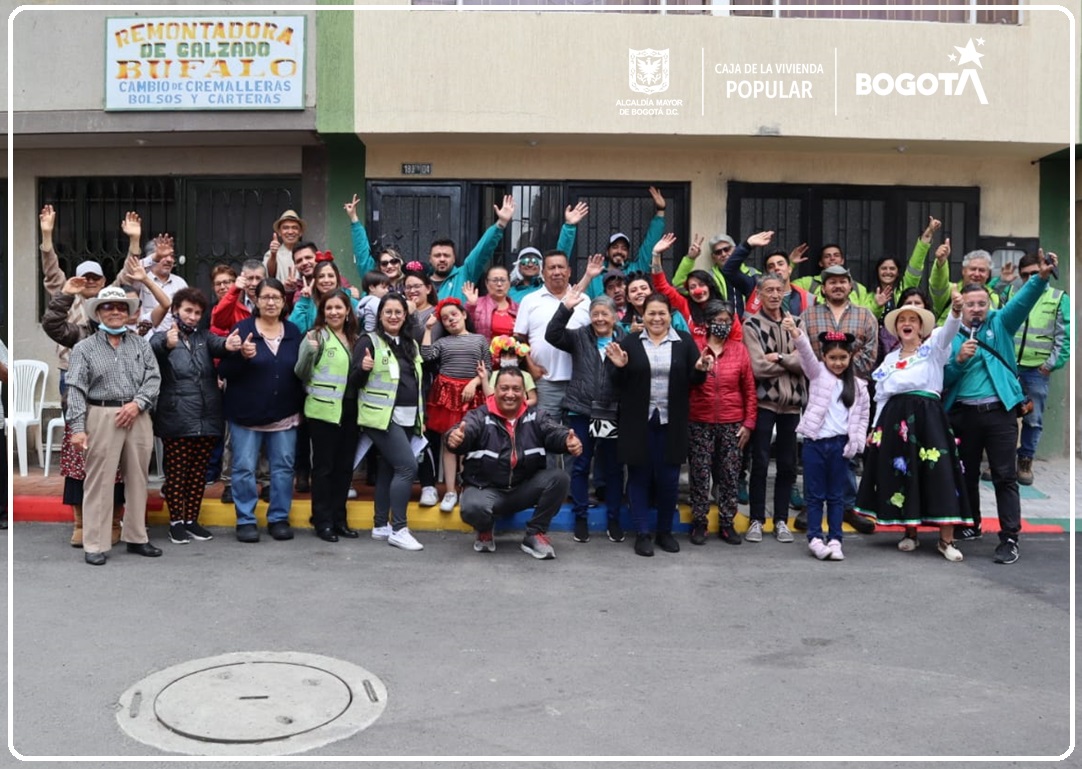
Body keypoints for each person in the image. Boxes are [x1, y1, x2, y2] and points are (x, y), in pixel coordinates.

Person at [944, 251, 1058, 564]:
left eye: (982, 303)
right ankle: (971, 524)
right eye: (971, 304)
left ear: (989, 305)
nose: (977, 308)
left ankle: (1009, 537)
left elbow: (1023, 301)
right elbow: (943, 376)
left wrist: (1041, 277)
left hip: (999, 413)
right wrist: (958, 361)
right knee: (965, 473)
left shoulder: (1001, 323)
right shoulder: (950, 332)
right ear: (961, 307)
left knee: (1004, 476)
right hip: (964, 414)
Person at [855, 293, 971, 561]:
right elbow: (881, 397)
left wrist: (955, 311)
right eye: (902, 320)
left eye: (913, 320)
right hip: (896, 423)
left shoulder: (933, 349)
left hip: (929, 420)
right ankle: (910, 533)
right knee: (904, 474)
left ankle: (946, 540)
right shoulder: (890, 360)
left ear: (921, 327)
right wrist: (874, 429)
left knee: (939, 473)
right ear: (897, 328)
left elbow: (950, 330)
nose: (907, 324)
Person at [606, 293, 710, 557]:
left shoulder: (684, 342)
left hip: (671, 421)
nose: (656, 318)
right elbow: (615, 381)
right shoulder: (629, 342)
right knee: (639, 477)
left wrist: (700, 369)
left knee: (668, 480)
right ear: (643, 315)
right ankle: (642, 533)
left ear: (670, 315)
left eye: (661, 313)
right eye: (651, 313)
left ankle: (664, 532)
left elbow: (695, 379)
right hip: (637, 422)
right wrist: (618, 367)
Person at [66, 286, 162, 565]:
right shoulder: (84, 348)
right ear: (98, 312)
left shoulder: (140, 344)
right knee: (99, 480)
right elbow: (75, 388)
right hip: (101, 413)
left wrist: (138, 404)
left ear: (129, 313)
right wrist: (77, 427)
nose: (116, 311)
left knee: (138, 478)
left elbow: (154, 378)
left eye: (121, 307)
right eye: (109, 307)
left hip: (137, 413)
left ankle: (136, 537)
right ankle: (94, 542)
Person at [447, 367, 583, 559]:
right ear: (495, 389)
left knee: (559, 478)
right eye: (504, 388)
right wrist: (454, 439)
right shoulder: (479, 415)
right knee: (471, 507)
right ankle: (485, 529)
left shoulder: (536, 416)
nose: (510, 394)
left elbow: (554, 432)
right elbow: (463, 432)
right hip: (486, 489)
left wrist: (567, 441)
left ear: (523, 392)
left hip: (523, 489)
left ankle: (535, 534)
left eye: (516, 389)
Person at [151, 288, 243, 544]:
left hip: (208, 416)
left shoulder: (205, 337)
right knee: (177, 474)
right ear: (175, 311)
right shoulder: (161, 338)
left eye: (197, 313)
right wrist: (168, 344)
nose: (192, 317)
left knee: (197, 474)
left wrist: (230, 344)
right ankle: (176, 522)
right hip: (176, 417)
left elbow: (221, 345)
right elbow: (154, 349)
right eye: (187, 311)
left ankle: (191, 520)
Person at [218, 277, 304, 543]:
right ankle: (245, 519)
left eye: (276, 297)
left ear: (283, 302)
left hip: (284, 413)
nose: (270, 302)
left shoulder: (292, 332)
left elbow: (300, 372)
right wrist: (241, 357)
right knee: (243, 468)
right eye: (265, 297)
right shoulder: (243, 329)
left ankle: (278, 518)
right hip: (246, 414)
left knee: (283, 468)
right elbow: (224, 371)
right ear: (255, 300)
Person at [545, 288, 627, 544]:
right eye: (595, 314)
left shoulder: (627, 339)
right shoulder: (580, 336)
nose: (600, 319)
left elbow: (633, 376)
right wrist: (565, 309)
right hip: (581, 410)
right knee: (580, 465)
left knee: (613, 468)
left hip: (612, 411)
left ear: (615, 317)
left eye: (605, 314)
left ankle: (613, 519)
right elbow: (553, 334)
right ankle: (581, 517)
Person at [787, 322, 870, 561]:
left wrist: (855, 445)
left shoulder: (859, 387)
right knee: (814, 495)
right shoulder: (817, 374)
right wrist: (796, 333)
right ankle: (815, 537)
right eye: (832, 357)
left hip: (840, 446)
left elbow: (863, 417)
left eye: (843, 357)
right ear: (823, 357)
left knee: (836, 496)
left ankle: (835, 539)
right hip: (815, 445)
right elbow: (804, 351)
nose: (838, 363)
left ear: (851, 356)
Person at [351, 293, 426, 551]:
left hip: (407, 416)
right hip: (380, 417)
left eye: (398, 312)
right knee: (407, 467)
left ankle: (381, 524)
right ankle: (399, 529)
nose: (393, 316)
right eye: (388, 312)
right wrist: (363, 368)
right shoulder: (368, 341)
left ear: (405, 316)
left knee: (389, 468)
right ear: (380, 315)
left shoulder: (410, 344)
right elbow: (353, 381)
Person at [742, 273, 806, 545]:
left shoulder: (798, 324)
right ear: (759, 294)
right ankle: (757, 518)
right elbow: (757, 367)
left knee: (788, 465)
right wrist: (792, 362)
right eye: (768, 290)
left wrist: (780, 357)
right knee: (759, 461)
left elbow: (808, 362)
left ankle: (781, 519)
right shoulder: (752, 324)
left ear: (785, 293)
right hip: (764, 402)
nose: (774, 295)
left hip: (792, 405)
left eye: (778, 290)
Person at [997, 251, 1070, 486]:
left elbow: (1065, 337)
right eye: (1025, 275)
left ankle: (1025, 461)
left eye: (1034, 274)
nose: (1030, 279)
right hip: (1009, 366)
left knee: (1033, 419)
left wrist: (1050, 365)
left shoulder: (1059, 298)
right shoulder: (1011, 293)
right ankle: (1002, 462)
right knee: (1002, 416)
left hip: (1036, 370)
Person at [686, 300, 755, 546]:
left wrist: (748, 423)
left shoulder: (739, 350)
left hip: (732, 422)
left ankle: (727, 522)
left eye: (727, 322)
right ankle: (700, 522)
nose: (723, 326)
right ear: (707, 323)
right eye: (718, 321)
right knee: (700, 473)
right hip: (699, 420)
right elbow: (686, 383)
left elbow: (749, 389)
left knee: (729, 474)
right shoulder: (694, 347)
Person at [295, 289, 362, 542]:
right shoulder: (315, 336)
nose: (334, 312)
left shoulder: (355, 338)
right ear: (322, 313)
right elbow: (300, 373)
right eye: (329, 308)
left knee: (345, 469)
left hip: (350, 410)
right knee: (323, 469)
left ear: (347, 312)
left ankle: (339, 519)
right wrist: (310, 352)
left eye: (339, 308)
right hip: (322, 411)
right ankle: (322, 522)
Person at [420, 297, 490, 513]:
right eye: (445, 318)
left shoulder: (479, 340)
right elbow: (426, 355)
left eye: (454, 315)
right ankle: (450, 491)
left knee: (470, 443)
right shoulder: (442, 342)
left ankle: (467, 487)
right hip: (447, 395)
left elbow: (487, 367)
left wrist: (475, 382)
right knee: (450, 443)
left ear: (464, 315)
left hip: (471, 395)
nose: (450, 320)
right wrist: (429, 329)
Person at [650, 233, 741, 341]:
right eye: (692, 287)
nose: (698, 290)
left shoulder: (726, 310)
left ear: (710, 287)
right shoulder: (685, 305)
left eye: (702, 285)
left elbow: (736, 341)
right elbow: (661, 286)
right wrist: (656, 254)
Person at [428, 195, 515, 303]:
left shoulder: (464, 275)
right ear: (430, 259)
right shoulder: (422, 281)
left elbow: (482, 251)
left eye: (446, 255)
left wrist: (501, 224)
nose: (442, 259)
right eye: (437, 255)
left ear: (454, 258)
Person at [583, 187, 666, 298]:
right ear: (607, 252)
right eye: (615, 247)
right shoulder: (595, 274)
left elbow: (650, 244)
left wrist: (660, 211)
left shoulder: (636, 270)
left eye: (624, 248)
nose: (619, 251)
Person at [722, 232, 812, 319]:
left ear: (789, 269)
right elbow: (729, 270)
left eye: (780, 264)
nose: (776, 268)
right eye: (771, 266)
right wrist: (747, 245)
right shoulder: (755, 287)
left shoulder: (806, 297)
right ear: (767, 273)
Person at [790, 242, 875, 310]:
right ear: (820, 263)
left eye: (836, 255)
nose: (832, 258)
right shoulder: (807, 283)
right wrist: (790, 264)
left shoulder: (858, 288)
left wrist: (877, 306)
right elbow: (784, 289)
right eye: (827, 256)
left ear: (842, 261)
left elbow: (867, 317)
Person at [930, 242, 1002, 323]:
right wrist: (941, 263)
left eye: (981, 270)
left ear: (988, 274)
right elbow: (938, 282)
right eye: (973, 269)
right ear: (963, 271)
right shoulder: (950, 291)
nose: (977, 274)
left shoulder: (995, 298)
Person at [137, 232, 188, 333]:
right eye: (164, 256)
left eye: (172, 256)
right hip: (146, 338)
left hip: (173, 340)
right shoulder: (141, 279)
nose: (169, 260)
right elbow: (132, 269)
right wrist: (155, 257)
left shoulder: (180, 283)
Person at [619, 272, 690, 335]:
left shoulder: (673, 315)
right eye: (633, 290)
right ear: (628, 298)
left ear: (652, 292)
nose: (639, 292)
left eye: (644, 288)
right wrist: (630, 333)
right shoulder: (623, 325)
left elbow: (687, 341)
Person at [462, 265, 519, 341]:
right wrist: (471, 306)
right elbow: (465, 328)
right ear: (486, 283)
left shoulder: (518, 308)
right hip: (484, 352)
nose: (499, 284)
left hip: (512, 352)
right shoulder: (477, 304)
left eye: (503, 280)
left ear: (509, 283)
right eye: (495, 280)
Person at [483, 336, 537, 407]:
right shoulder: (495, 374)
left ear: (519, 359)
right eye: (504, 355)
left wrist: (520, 406)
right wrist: (483, 378)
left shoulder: (526, 376)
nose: (507, 359)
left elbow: (533, 399)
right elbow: (490, 395)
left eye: (511, 356)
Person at [264, 209, 306, 283]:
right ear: (279, 232)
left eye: (294, 228)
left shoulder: (307, 254)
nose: (290, 232)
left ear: (300, 232)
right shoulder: (271, 254)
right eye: (286, 228)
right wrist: (273, 255)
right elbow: (269, 275)